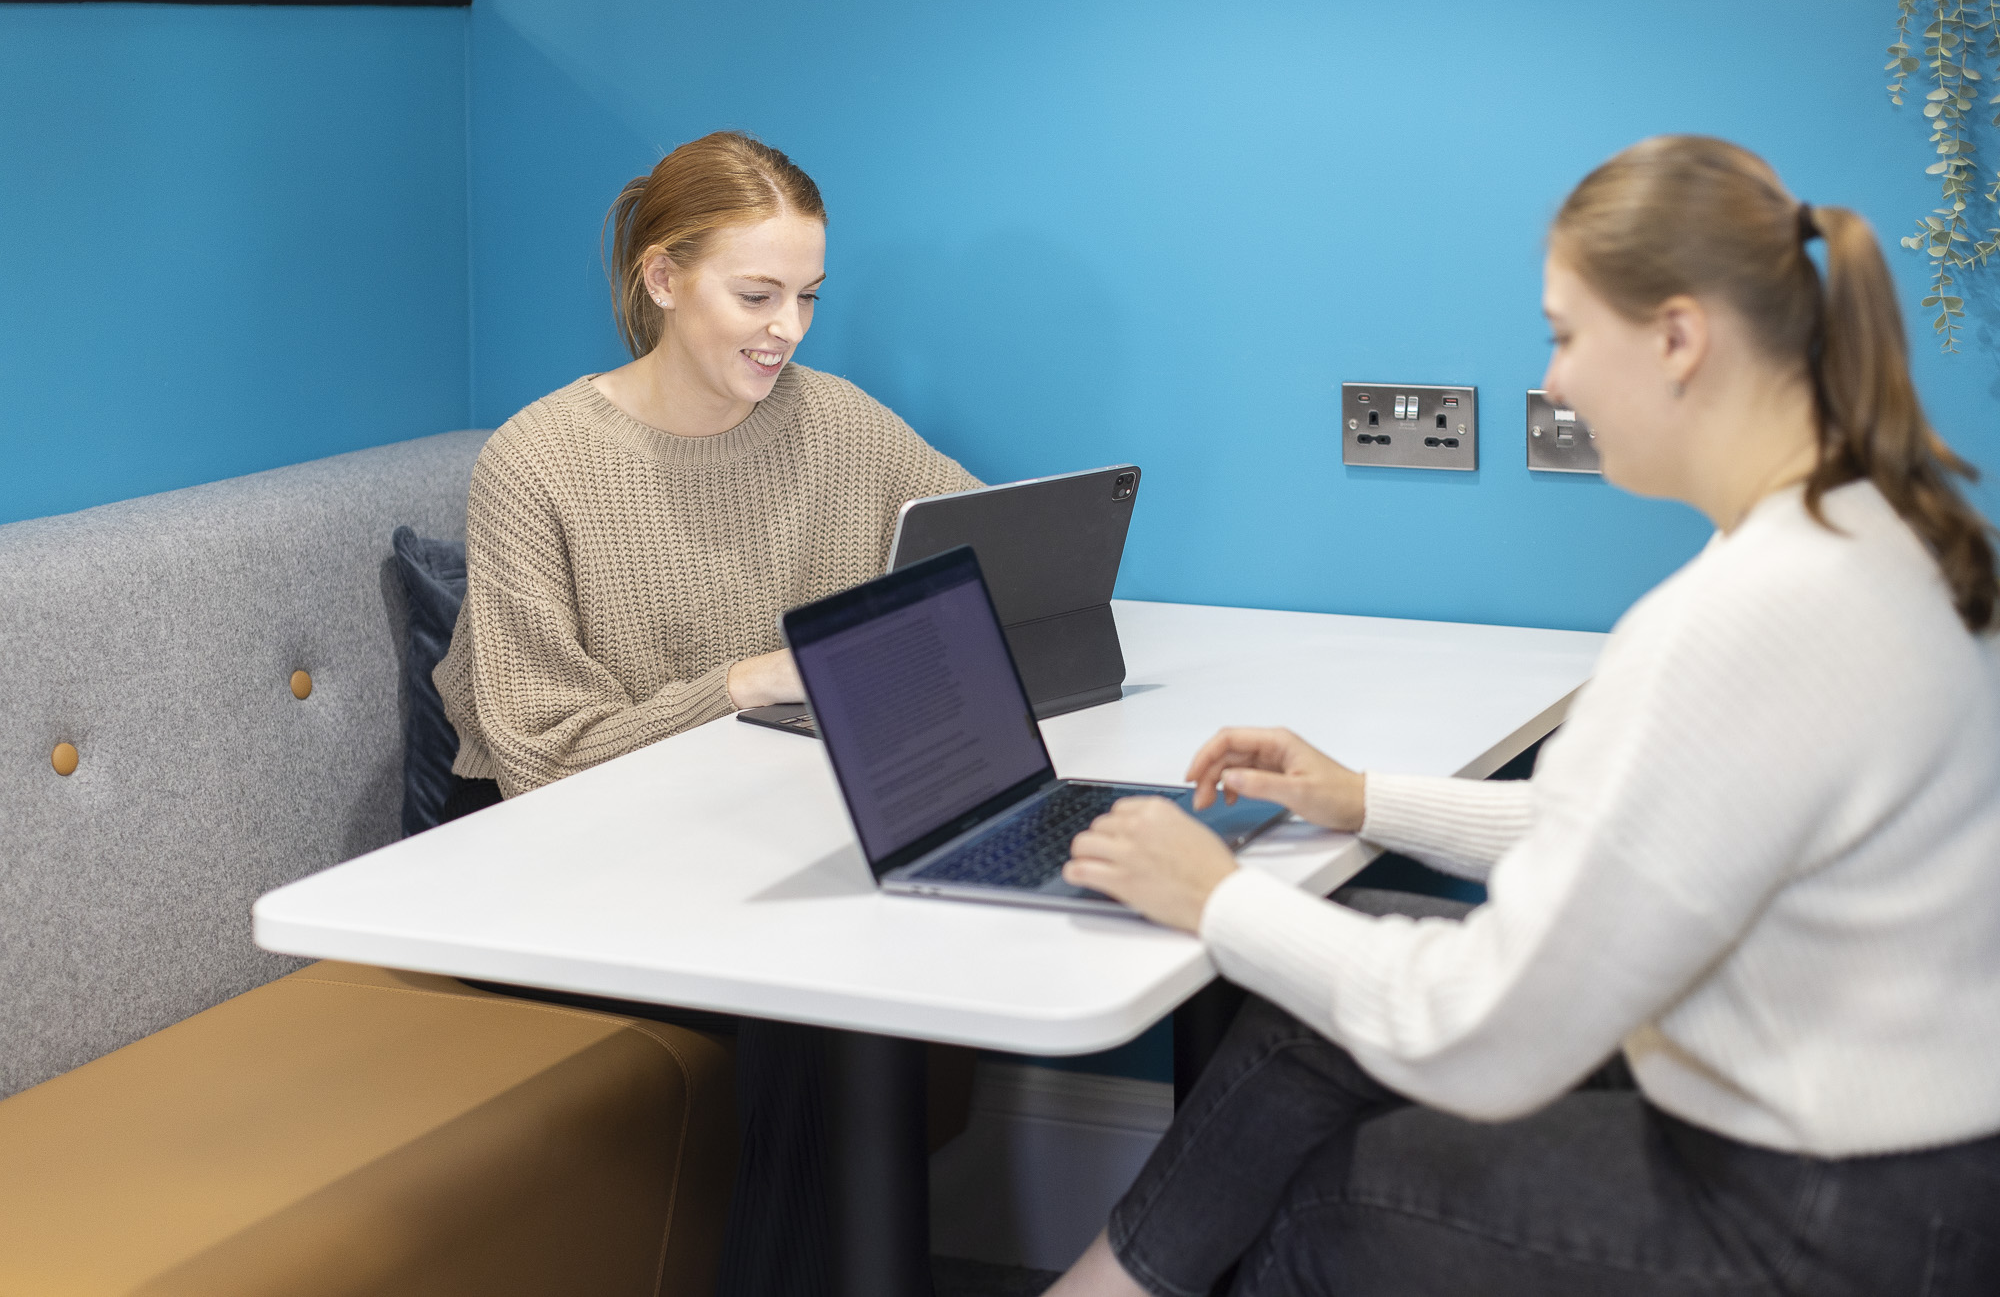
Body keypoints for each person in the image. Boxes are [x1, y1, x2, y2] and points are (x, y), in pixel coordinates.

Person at [1048, 135, 2000, 1296]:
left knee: (1332, 1202)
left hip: (1832, 1216)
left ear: (1676, 336)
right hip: (1904, 1158)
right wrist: (1362, 798)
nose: (1549, 383)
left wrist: (1216, 894)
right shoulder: (1867, 531)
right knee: (1307, 1024)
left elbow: (1482, 1033)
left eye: (1562, 333)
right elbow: (1638, 837)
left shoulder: (1744, 613)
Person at [434, 130, 978, 1297]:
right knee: (814, 990)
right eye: (756, 294)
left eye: (808, 297)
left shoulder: (832, 420)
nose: (786, 327)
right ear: (663, 276)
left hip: (730, 831)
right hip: (547, 861)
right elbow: (539, 756)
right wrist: (744, 679)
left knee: (867, 945)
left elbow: (983, 540)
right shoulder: (537, 463)